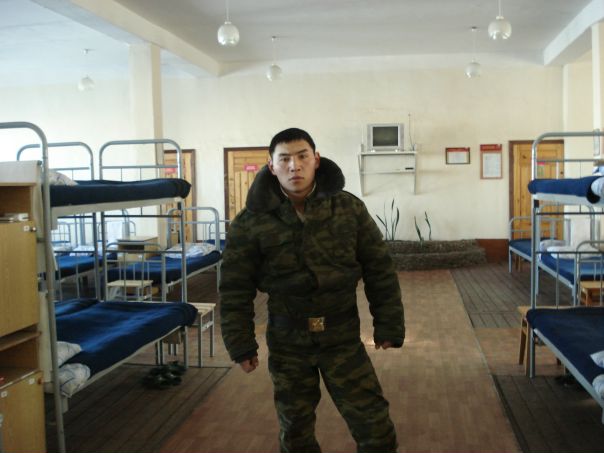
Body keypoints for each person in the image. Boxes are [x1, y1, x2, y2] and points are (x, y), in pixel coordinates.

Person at [219, 127, 405, 453]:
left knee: (375, 427)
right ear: (271, 166)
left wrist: (388, 324)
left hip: (342, 338)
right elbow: (235, 287)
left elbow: (380, 269)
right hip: (288, 343)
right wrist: (240, 343)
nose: (294, 166)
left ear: (316, 160)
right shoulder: (251, 221)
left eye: (302, 156)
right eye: (284, 159)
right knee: (296, 433)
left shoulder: (348, 209)